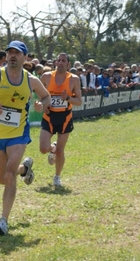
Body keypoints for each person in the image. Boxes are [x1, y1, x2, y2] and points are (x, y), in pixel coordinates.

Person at [0, 41, 51, 236]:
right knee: (3, 179)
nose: (12, 56)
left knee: (9, 176)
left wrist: (41, 105)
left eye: (17, 53)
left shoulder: (31, 80)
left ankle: (3, 221)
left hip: (19, 134)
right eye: (10, 52)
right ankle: (24, 169)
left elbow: (46, 96)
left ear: (24, 58)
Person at [39, 53, 82, 187]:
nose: (61, 62)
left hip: (65, 117)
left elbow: (79, 101)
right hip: (49, 116)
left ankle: (57, 176)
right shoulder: (46, 77)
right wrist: (43, 105)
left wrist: (68, 98)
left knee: (61, 150)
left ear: (68, 64)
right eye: (59, 60)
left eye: (64, 60)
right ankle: (52, 148)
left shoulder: (74, 79)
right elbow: (39, 94)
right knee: (43, 148)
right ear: (55, 63)